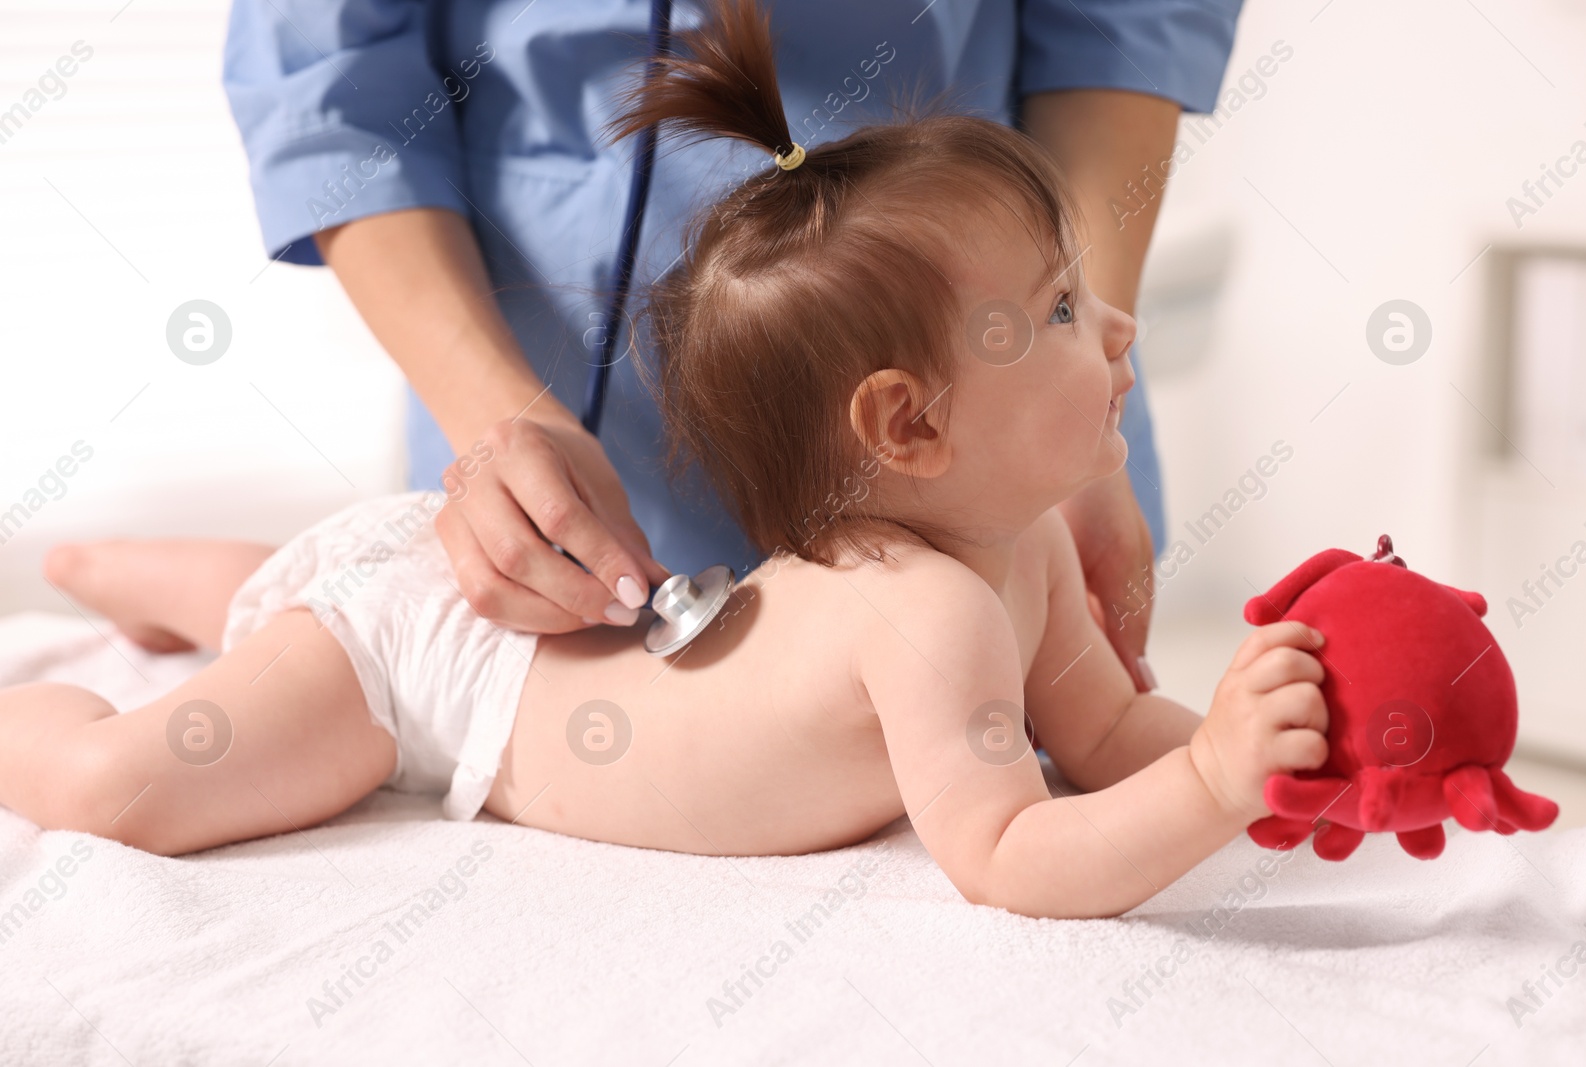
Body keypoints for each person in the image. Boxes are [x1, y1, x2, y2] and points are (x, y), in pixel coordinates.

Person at [10, 0, 1327, 920]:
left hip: (536, 610)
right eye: (1051, 311)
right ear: (908, 425)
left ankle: (125, 569)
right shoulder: (924, 611)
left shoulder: (1021, 538)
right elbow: (1009, 849)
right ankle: (66, 622)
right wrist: (1216, 781)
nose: (1114, 322)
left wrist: (1275, 749)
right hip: (428, 676)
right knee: (119, 784)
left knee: (336, 576)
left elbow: (1097, 734)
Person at [220, 0, 1244, 693]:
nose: (1125, 341)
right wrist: (494, 413)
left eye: (1069, 309)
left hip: (993, 435)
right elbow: (325, 74)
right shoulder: (940, 625)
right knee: (336, 632)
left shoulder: (963, 608)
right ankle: (127, 575)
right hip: (536, 471)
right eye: (1075, 313)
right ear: (896, 415)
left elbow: (1122, 23)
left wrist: (1063, 389)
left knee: (312, 634)